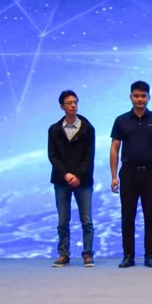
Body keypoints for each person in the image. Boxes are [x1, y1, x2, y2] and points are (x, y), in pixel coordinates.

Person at [110, 80, 152, 269]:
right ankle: (128, 256)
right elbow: (115, 148)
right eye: (136, 96)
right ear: (131, 97)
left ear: (149, 97)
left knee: (151, 216)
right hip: (128, 173)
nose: (140, 99)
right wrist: (114, 176)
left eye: (143, 96)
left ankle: (149, 255)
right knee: (128, 216)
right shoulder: (121, 120)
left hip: (150, 173)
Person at [48, 90, 96, 267]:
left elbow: (89, 156)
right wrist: (66, 174)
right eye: (69, 103)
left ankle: (88, 254)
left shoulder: (87, 128)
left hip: (83, 181)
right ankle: (64, 254)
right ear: (62, 106)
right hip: (62, 181)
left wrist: (78, 175)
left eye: (75, 102)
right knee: (63, 220)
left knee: (86, 220)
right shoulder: (54, 129)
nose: (73, 105)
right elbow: (53, 156)